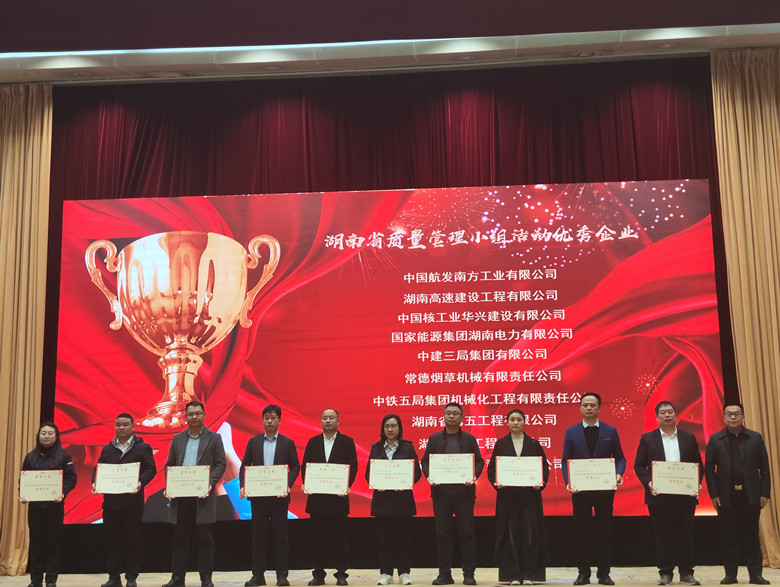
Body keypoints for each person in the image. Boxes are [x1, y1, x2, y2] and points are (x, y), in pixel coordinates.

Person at [633, 401, 703, 586]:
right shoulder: (648, 438)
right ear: (657, 417)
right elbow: (639, 466)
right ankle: (665, 573)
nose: (667, 415)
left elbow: (697, 464)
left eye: (670, 412)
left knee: (685, 534)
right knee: (663, 535)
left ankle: (687, 573)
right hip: (659, 497)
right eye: (663, 412)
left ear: (675, 415)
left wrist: (695, 483)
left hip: (684, 496)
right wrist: (650, 482)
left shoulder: (688, 437)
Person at [561, 392, 626, 586]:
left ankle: (604, 574)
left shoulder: (610, 431)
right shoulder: (571, 432)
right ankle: (583, 574)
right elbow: (565, 460)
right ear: (580, 408)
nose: (588, 408)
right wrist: (568, 481)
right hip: (580, 490)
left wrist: (618, 474)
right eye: (585, 405)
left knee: (604, 531)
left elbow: (620, 458)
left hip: (604, 490)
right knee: (581, 531)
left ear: (599, 408)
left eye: (592, 405)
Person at [161, 400, 227, 587]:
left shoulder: (214, 438)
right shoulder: (177, 438)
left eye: (198, 413)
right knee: (179, 539)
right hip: (181, 497)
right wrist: (171, 484)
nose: (194, 417)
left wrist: (209, 483)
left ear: (204, 415)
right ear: (185, 417)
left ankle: (206, 579)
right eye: (190, 414)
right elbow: (169, 465)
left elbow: (221, 463)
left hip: (203, 496)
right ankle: (177, 579)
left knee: (205, 539)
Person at [705, 402, 771, 585]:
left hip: (751, 495)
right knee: (729, 537)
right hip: (726, 497)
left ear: (743, 416)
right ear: (724, 417)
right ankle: (730, 575)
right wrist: (714, 494)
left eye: (736, 413)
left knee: (751, 536)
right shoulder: (715, 439)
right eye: (729, 414)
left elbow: (765, 469)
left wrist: (764, 493)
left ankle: (755, 575)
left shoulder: (755, 438)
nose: (733, 417)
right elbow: (709, 470)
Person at [421, 402, 485, 586]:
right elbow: (425, 461)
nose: (451, 416)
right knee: (443, 534)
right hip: (441, 494)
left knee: (467, 534)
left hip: (464, 494)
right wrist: (430, 475)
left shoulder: (469, 439)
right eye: (448, 413)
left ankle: (469, 574)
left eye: (455, 413)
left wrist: (473, 476)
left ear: (462, 417)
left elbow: (479, 461)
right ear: (443, 416)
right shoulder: (434, 439)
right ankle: (444, 574)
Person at [92, 413, 158, 587]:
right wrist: (95, 482)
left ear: (133, 427)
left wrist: (140, 482)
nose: (121, 427)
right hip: (111, 504)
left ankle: (131, 578)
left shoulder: (143, 447)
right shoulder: (107, 449)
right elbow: (99, 469)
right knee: (111, 542)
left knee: (132, 541)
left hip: (132, 504)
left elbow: (151, 469)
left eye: (125, 424)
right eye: (118, 425)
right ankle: (114, 577)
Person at [240, 404, 301, 587]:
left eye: (273, 418)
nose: (269, 421)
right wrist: (243, 485)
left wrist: (287, 485)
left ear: (280, 420)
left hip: (278, 498)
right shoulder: (253, 442)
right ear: (262, 420)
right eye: (266, 418)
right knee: (258, 537)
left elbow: (295, 466)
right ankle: (258, 575)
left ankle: (282, 575)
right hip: (258, 498)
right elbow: (245, 466)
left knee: (280, 537)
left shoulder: (287, 443)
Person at [487, 409, 549, 586]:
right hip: (508, 497)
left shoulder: (534, 444)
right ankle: (512, 574)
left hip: (530, 497)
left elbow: (544, 468)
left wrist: (540, 482)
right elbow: (492, 469)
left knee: (530, 533)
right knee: (510, 535)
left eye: (519, 419)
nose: (515, 422)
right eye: (512, 419)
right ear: (507, 422)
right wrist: (497, 482)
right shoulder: (501, 444)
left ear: (524, 422)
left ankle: (529, 574)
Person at [301, 408, 359, 587]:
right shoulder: (313, 442)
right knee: (317, 539)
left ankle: (341, 574)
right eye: (324, 418)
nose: (328, 420)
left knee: (339, 539)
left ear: (338, 421)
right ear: (321, 421)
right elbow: (306, 466)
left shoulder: (347, 442)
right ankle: (318, 575)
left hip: (338, 499)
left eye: (331, 418)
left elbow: (353, 466)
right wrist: (307, 483)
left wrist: (346, 485)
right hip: (317, 499)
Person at [365, 414, 422, 586]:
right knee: (384, 540)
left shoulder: (408, 447)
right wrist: (376, 483)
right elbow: (369, 473)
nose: (390, 429)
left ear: (399, 428)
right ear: (382, 429)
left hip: (403, 501)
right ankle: (386, 573)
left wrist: (406, 483)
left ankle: (404, 573)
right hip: (382, 501)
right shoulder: (376, 448)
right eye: (387, 426)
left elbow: (417, 472)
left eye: (393, 426)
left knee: (403, 540)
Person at [20, 422, 78, 587]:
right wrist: (23, 494)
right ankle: (35, 581)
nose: (46, 436)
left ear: (56, 436)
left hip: (54, 507)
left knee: (53, 545)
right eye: (43, 433)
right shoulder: (30, 457)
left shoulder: (63, 456)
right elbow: (24, 478)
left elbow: (72, 478)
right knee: (36, 544)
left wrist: (62, 492)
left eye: (50, 433)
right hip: (35, 508)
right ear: (38, 436)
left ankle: (51, 580)